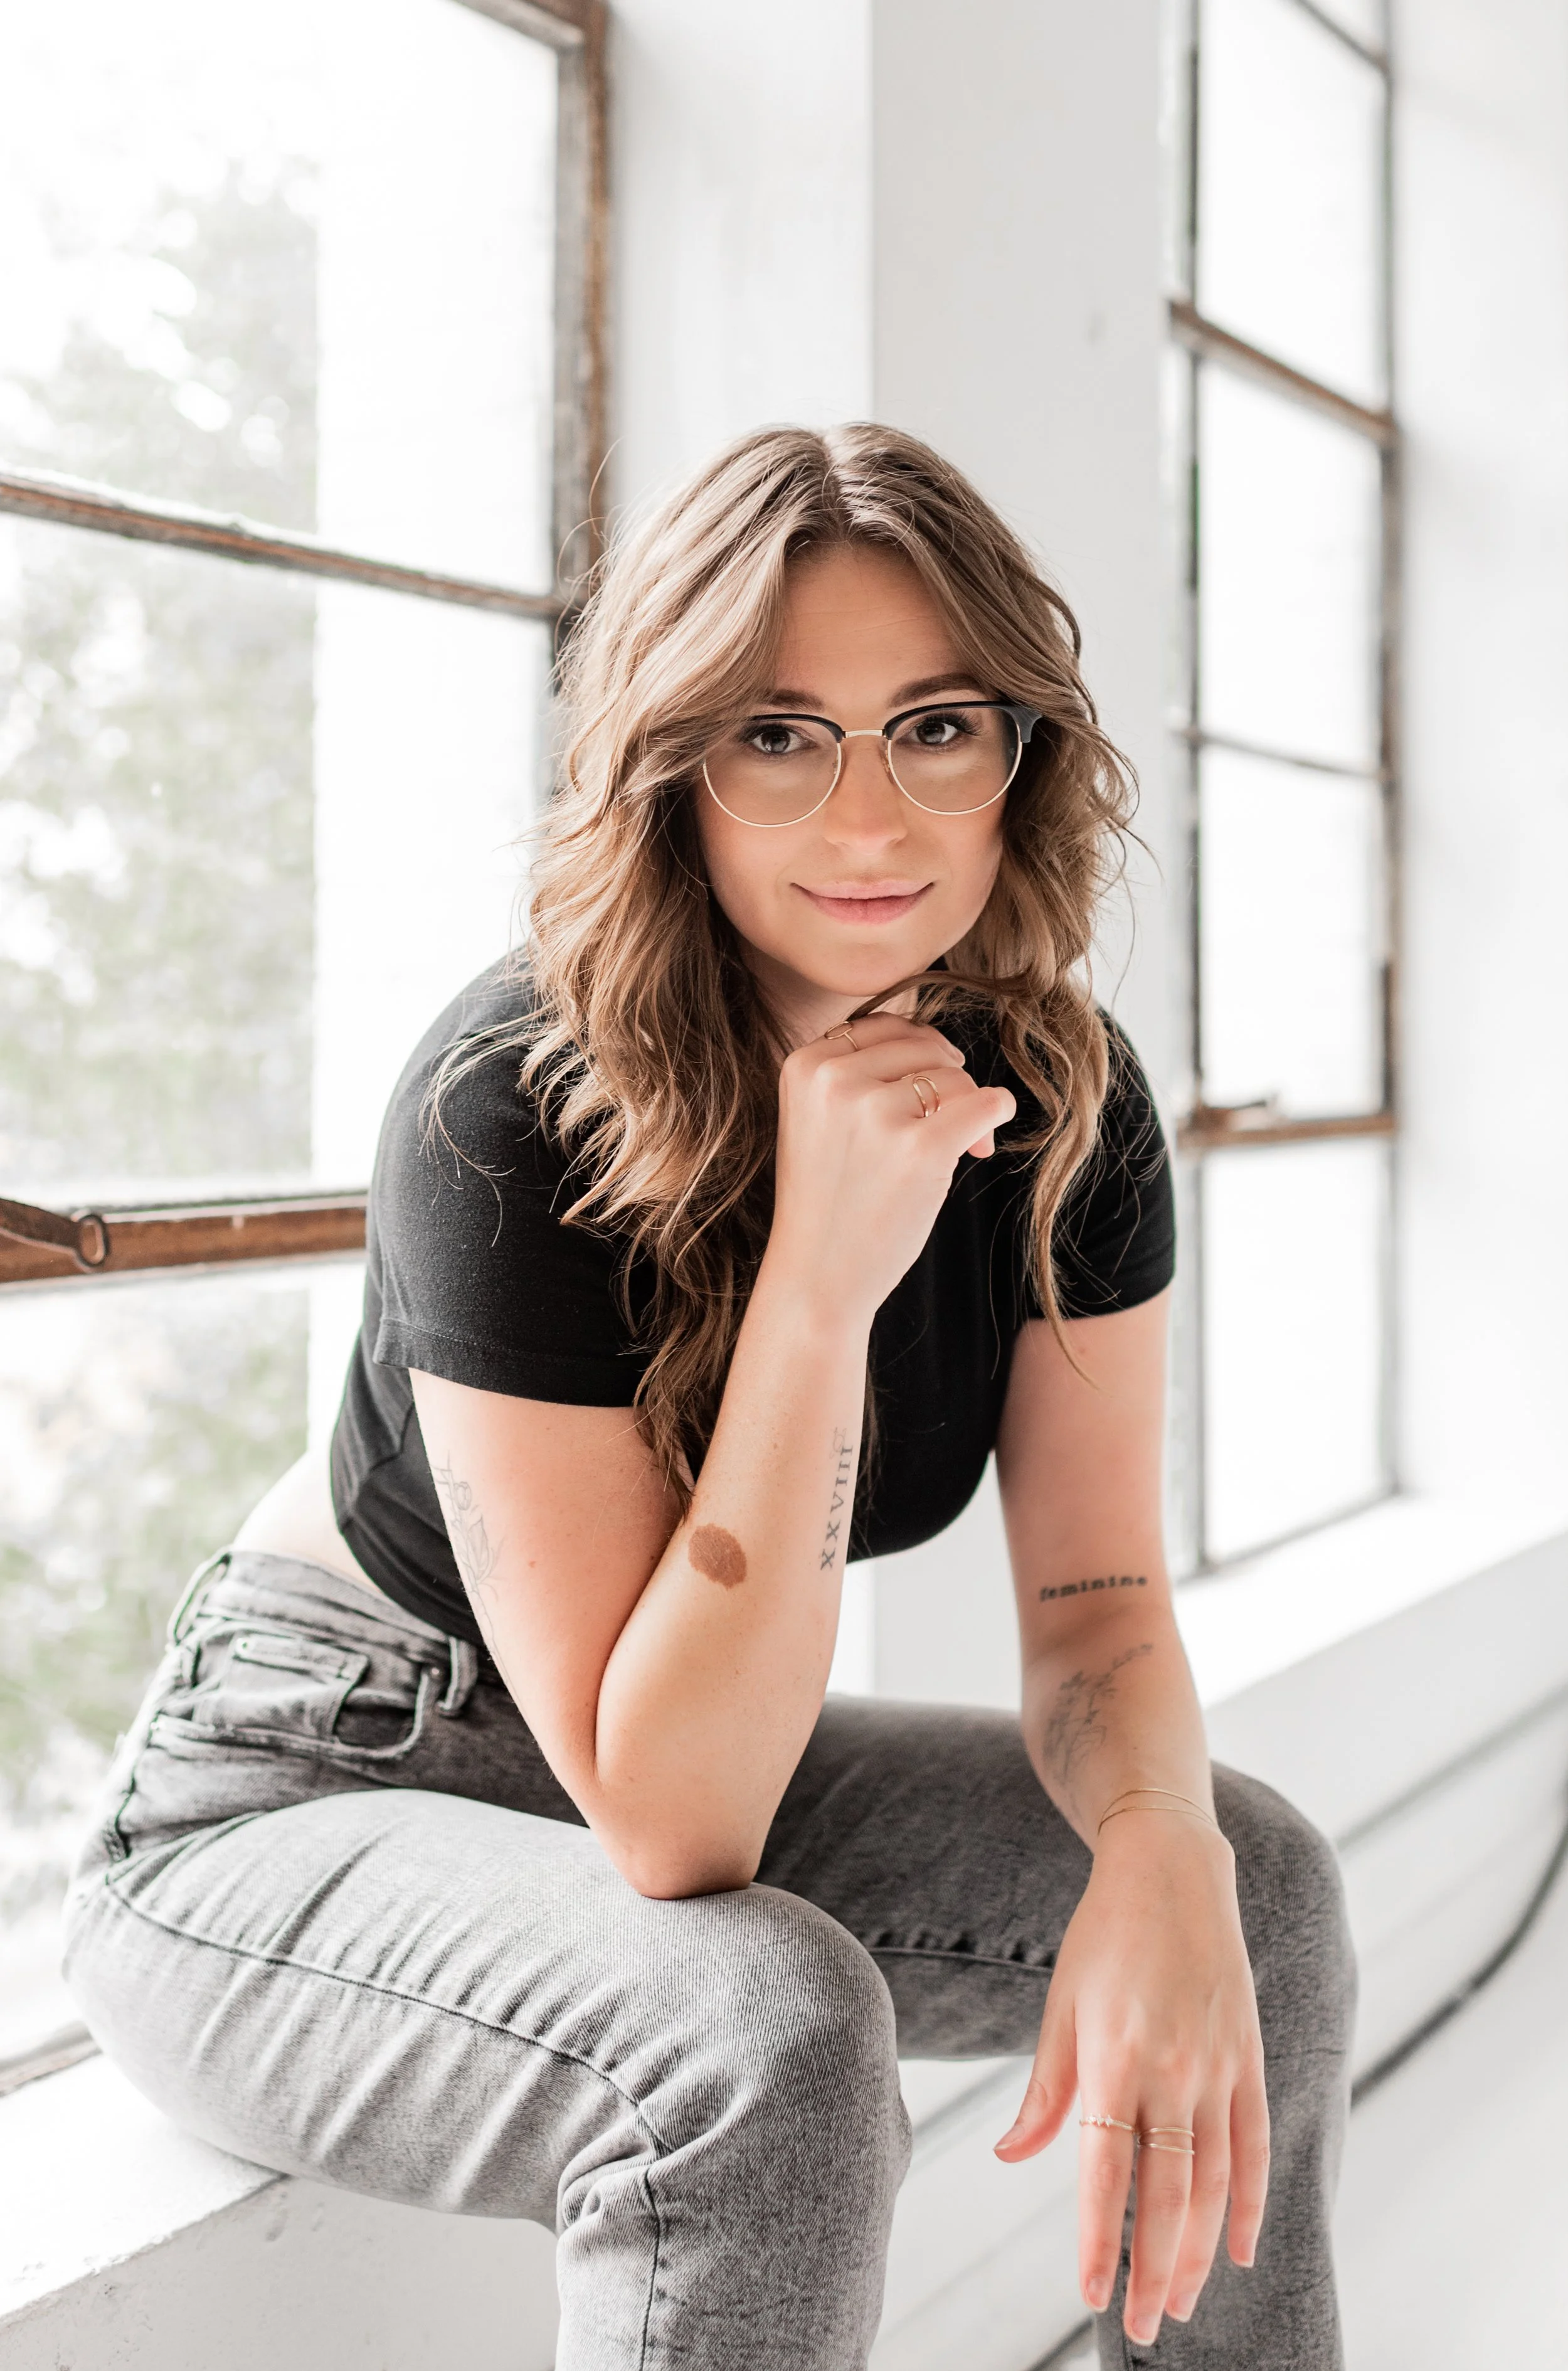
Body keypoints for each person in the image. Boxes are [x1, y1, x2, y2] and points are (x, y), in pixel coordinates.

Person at [64, 425, 1353, 2369]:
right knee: (763, 2033)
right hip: (299, 1799)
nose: (870, 818)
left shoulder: (1060, 1100)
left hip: (658, 1754)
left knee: (1249, 1879)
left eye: (935, 726)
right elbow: (668, 1820)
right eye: (778, 733)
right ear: (673, 763)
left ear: (1022, 754)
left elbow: (1094, 1612)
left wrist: (1162, 1842)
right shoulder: (504, 1103)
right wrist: (823, 1276)